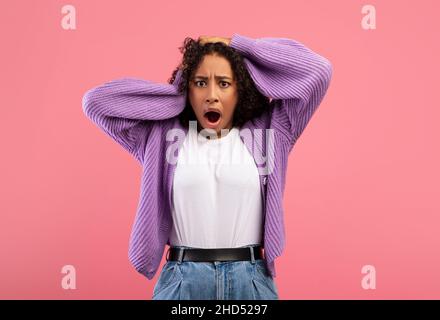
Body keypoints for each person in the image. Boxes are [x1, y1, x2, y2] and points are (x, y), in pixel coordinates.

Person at [82, 34, 333, 299]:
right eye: (201, 83)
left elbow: (317, 71)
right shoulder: (161, 136)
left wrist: (238, 44)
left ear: (241, 90)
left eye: (224, 83)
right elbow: (96, 103)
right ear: (188, 88)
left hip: (250, 281)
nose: (211, 95)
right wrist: (175, 97)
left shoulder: (272, 131)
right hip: (182, 280)